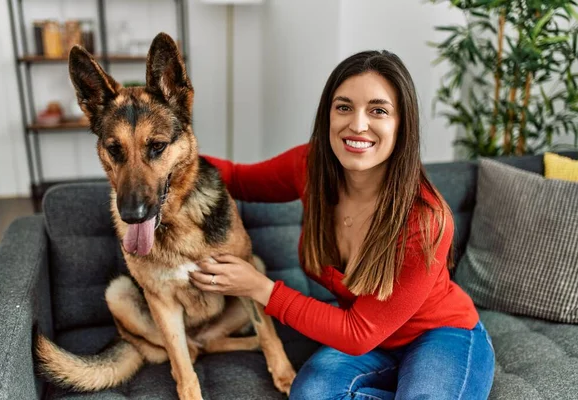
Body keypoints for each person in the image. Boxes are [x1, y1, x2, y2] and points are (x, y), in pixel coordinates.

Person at [189, 50, 495, 399]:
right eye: (344, 107)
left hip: (441, 334)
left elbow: (357, 333)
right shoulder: (310, 165)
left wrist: (260, 288)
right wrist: (165, 153)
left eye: (378, 110)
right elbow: (237, 178)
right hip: (372, 345)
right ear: (328, 115)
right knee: (310, 394)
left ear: (402, 124)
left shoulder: (424, 219)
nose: (357, 125)